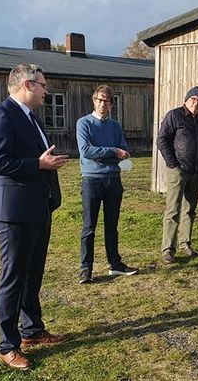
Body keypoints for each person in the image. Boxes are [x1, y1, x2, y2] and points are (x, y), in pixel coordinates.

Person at [0, 63, 70, 370]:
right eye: (44, 85)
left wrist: (46, 168)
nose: (47, 91)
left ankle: (32, 330)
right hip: (14, 213)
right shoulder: (1, 115)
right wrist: (39, 165)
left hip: (38, 207)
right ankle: (8, 345)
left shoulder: (32, 118)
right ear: (28, 85)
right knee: (14, 278)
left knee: (33, 275)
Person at [76, 85, 138, 284]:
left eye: (107, 101)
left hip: (113, 180)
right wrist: (113, 152)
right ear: (94, 100)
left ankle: (115, 264)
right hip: (92, 181)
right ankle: (86, 268)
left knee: (112, 225)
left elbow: (125, 151)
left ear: (112, 104)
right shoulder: (83, 123)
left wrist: (112, 154)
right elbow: (86, 150)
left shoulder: (115, 126)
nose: (103, 104)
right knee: (89, 227)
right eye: (100, 100)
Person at [157, 86, 198, 264]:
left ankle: (185, 244)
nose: (196, 103)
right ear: (186, 100)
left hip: (197, 172)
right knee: (173, 210)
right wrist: (173, 163)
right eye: (193, 99)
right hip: (178, 171)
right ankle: (168, 249)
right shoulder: (174, 116)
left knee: (189, 210)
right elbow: (162, 140)